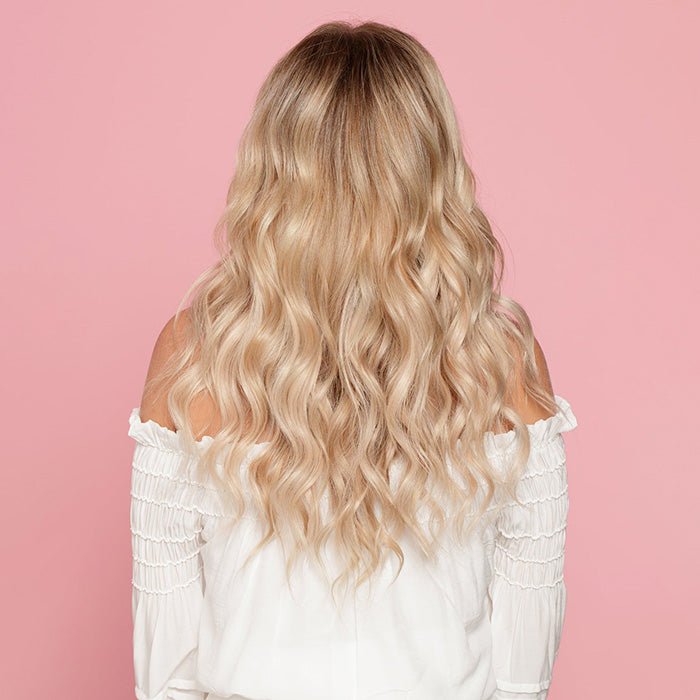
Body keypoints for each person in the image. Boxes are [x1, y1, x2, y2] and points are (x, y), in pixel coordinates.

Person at [128, 20, 578, 700]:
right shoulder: (498, 360)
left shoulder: (196, 355)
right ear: (431, 167)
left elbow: (169, 664)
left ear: (273, 169)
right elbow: (523, 659)